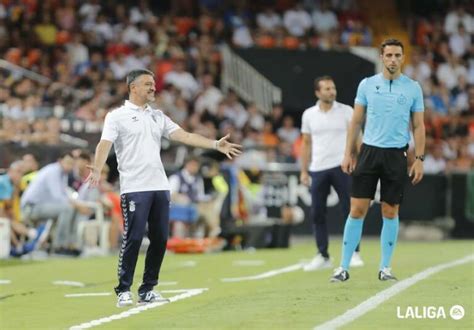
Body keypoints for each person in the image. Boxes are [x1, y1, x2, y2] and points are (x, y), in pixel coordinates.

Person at [86, 69, 242, 307]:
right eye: (148, 84)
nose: (153, 88)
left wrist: (214, 144)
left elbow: (185, 136)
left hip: (160, 186)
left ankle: (148, 288)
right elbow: (104, 144)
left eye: (154, 84)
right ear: (133, 87)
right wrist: (97, 168)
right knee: (134, 238)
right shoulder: (116, 116)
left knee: (160, 239)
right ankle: (123, 289)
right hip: (134, 188)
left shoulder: (158, 116)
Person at [331, 39, 425, 282]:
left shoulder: (413, 88)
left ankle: (385, 268)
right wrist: (347, 152)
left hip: (397, 154)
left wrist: (420, 158)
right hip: (369, 152)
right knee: (357, 209)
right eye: (389, 55)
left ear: (403, 58)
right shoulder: (367, 85)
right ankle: (343, 267)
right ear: (381, 57)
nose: (393, 59)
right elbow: (356, 121)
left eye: (397, 55)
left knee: (390, 210)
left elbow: (418, 125)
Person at [300, 76, 364, 271]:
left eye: (333, 88)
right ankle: (323, 255)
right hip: (318, 168)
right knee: (317, 213)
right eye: (327, 89)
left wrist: (360, 163)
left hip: (342, 166)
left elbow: (357, 138)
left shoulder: (346, 111)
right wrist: (304, 170)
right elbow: (306, 143)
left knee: (350, 210)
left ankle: (354, 252)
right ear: (317, 93)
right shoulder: (309, 115)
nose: (331, 91)